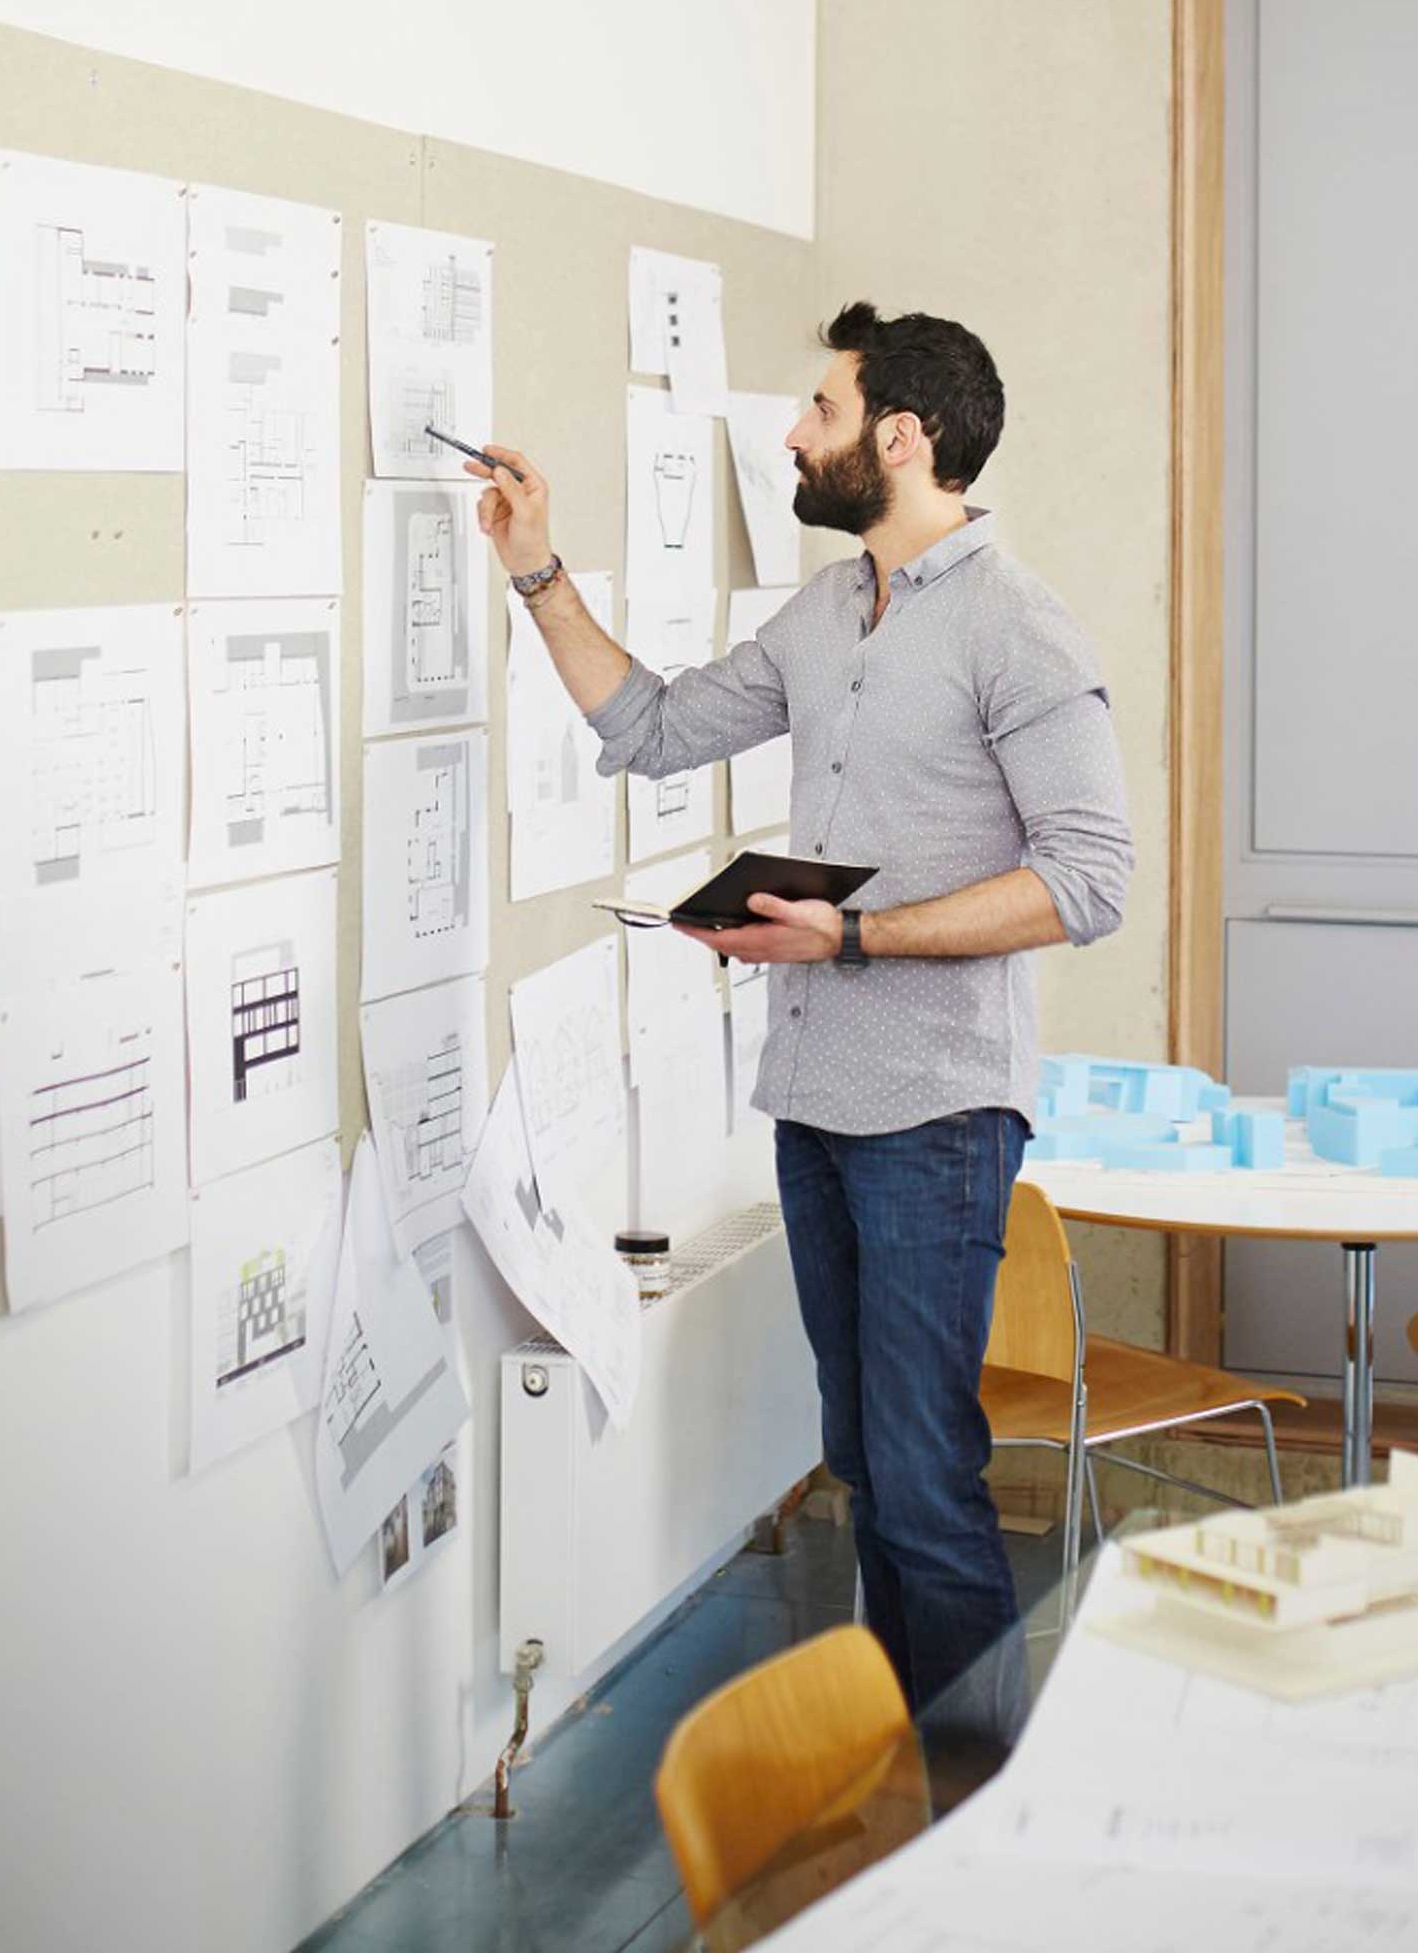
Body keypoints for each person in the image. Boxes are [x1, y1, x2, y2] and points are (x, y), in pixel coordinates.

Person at [462, 300, 1132, 1723]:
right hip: (814, 1105)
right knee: (868, 1466)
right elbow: (650, 730)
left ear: (904, 436)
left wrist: (855, 937)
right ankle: (912, 1775)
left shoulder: (1020, 629)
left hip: (938, 1114)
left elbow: (1088, 882)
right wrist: (536, 575)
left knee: (924, 1478)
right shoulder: (827, 613)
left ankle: (975, 1831)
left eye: (819, 410)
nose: (792, 432)